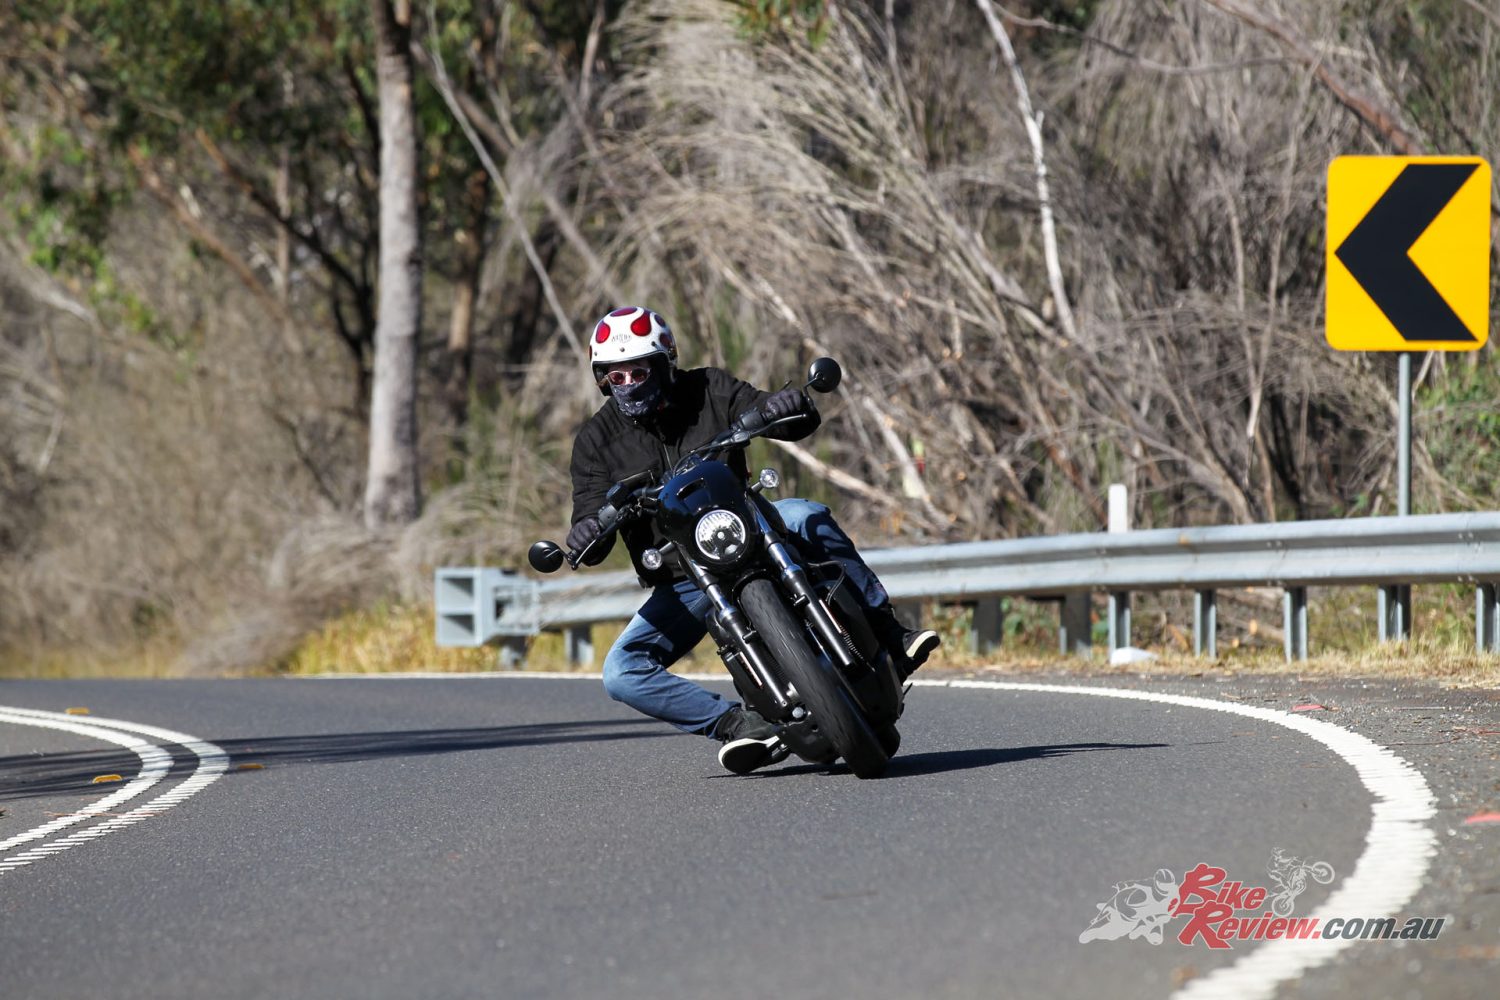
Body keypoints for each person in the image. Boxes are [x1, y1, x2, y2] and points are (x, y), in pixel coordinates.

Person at [567, 305, 939, 774]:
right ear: (602, 379)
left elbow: (777, 414)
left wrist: (784, 406)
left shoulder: (708, 388)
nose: (628, 384)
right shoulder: (595, 441)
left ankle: (890, 631)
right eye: (615, 376)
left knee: (805, 513)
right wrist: (585, 530)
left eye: (639, 370)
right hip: (685, 574)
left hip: (753, 527)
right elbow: (589, 519)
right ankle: (738, 725)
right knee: (620, 672)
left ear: (664, 364)